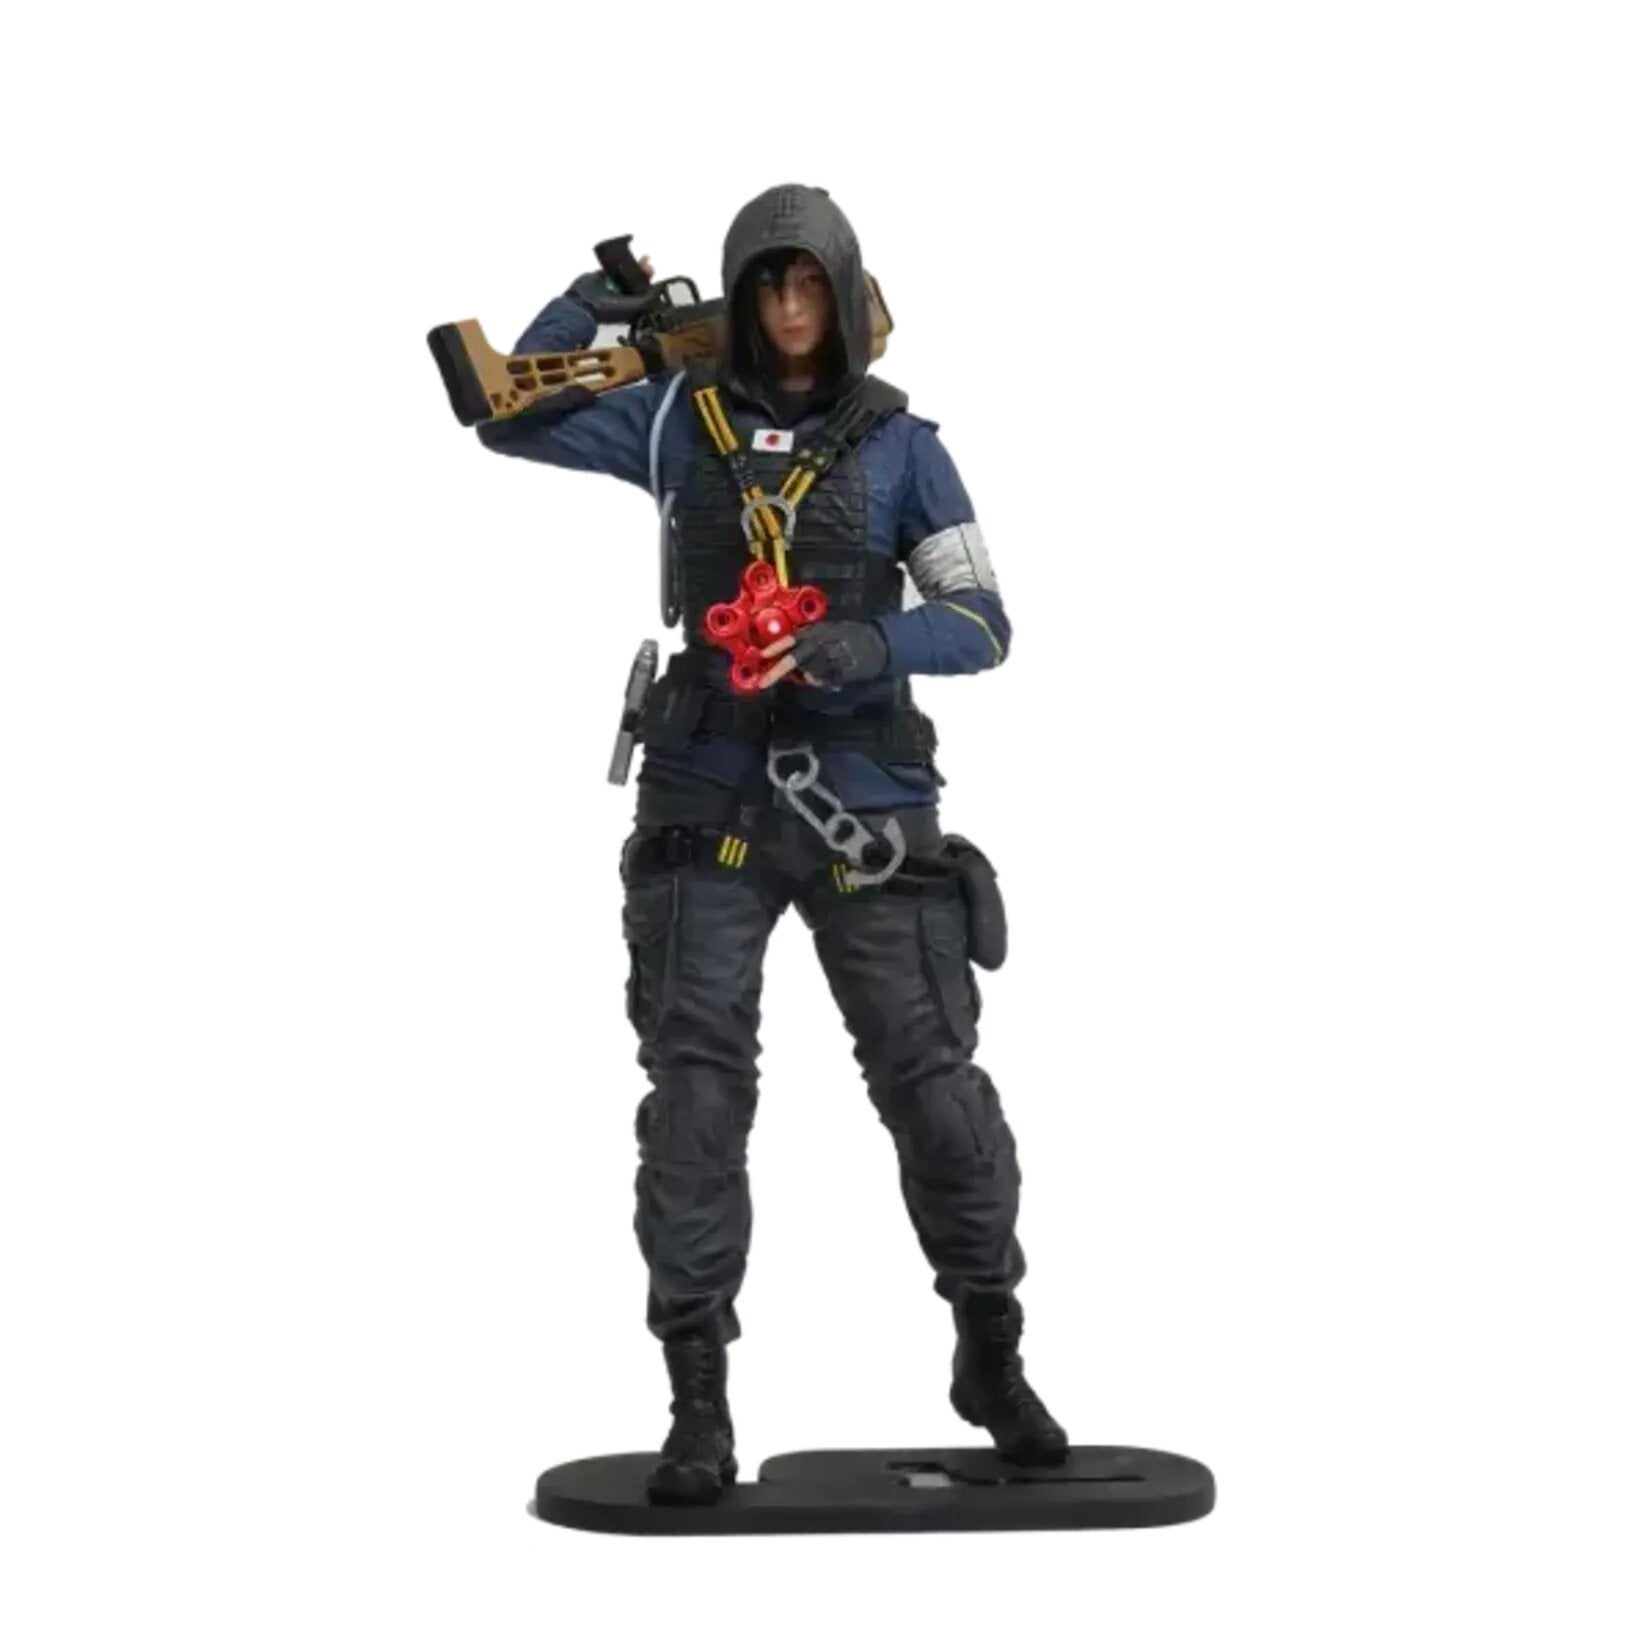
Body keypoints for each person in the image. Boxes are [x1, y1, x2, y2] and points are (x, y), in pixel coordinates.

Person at [477, 183, 1067, 1504]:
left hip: (867, 799)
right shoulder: (672, 419)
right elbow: (508, 411)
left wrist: (867, 640)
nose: (791, 310)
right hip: (707, 790)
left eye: (809, 285)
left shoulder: (904, 446)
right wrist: (595, 310)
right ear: (743, 298)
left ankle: (993, 1352)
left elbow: (982, 621)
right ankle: (697, 1399)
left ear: (841, 294)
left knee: (937, 1089)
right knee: (694, 1099)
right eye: (768, 287)